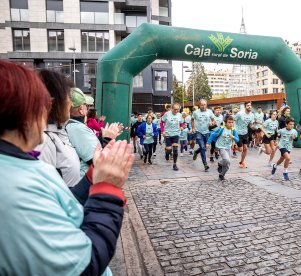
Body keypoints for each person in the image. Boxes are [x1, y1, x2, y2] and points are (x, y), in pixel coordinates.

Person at [0, 60, 134, 275]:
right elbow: (82, 266)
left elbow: (59, 202)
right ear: (23, 110)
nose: (46, 113)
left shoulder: (17, 165)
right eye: (41, 104)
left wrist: (92, 179)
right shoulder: (12, 189)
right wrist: (107, 191)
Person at [34, 69, 81, 187]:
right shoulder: (42, 142)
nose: (71, 103)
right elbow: (45, 197)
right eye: (69, 97)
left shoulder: (57, 131)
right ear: (54, 101)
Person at [207, 115, 239, 181]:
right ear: (225, 122)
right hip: (221, 147)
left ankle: (221, 175)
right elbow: (212, 135)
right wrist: (208, 143)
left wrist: (233, 137)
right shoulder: (221, 129)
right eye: (229, 122)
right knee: (227, 160)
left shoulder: (233, 130)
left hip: (228, 147)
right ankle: (219, 163)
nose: (231, 124)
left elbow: (237, 140)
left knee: (227, 164)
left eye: (232, 122)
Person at [192, 99, 215, 171]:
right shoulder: (195, 112)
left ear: (206, 105)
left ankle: (196, 152)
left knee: (204, 147)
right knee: (202, 147)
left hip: (207, 131)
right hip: (199, 131)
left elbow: (213, 120)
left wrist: (212, 123)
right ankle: (205, 164)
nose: (203, 106)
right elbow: (192, 119)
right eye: (202, 105)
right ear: (199, 105)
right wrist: (193, 128)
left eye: (204, 104)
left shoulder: (210, 111)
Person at [161, 103, 183, 171]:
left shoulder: (180, 115)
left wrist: (181, 127)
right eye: (175, 109)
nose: (176, 111)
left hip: (176, 133)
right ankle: (167, 153)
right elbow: (161, 122)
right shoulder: (167, 114)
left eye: (178, 109)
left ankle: (174, 164)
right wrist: (163, 131)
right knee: (169, 150)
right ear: (171, 108)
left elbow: (181, 122)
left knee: (175, 150)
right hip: (168, 134)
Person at [234, 102, 257, 168]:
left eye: (250, 105)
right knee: (241, 149)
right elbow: (234, 120)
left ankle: (241, 162)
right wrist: (233, 130)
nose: (249, 107)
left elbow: (250, 125)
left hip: (245, 133)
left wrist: (255, 128)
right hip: (238, 133)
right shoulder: (240, 114)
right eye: (248, 105)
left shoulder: (252, 115)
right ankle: (234, 147)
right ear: (245, 106)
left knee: (245, 148)